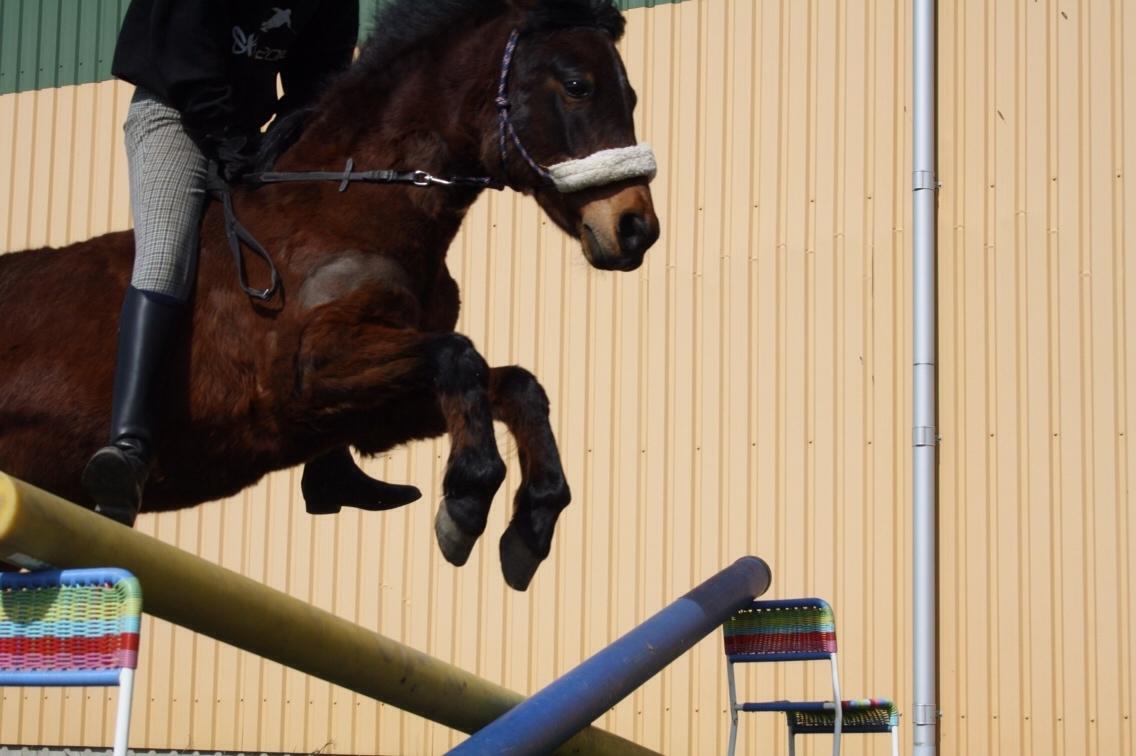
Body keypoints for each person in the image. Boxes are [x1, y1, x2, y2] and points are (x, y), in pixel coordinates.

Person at [83, 0, 420, 526]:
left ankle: (327, 465)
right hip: (175, 114)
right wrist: (225, 137)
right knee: (165, 258)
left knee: (307, 267)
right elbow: (184, 53)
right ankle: (127, 449)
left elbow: (319, 79)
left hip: (245, 131)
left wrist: (295, 140)